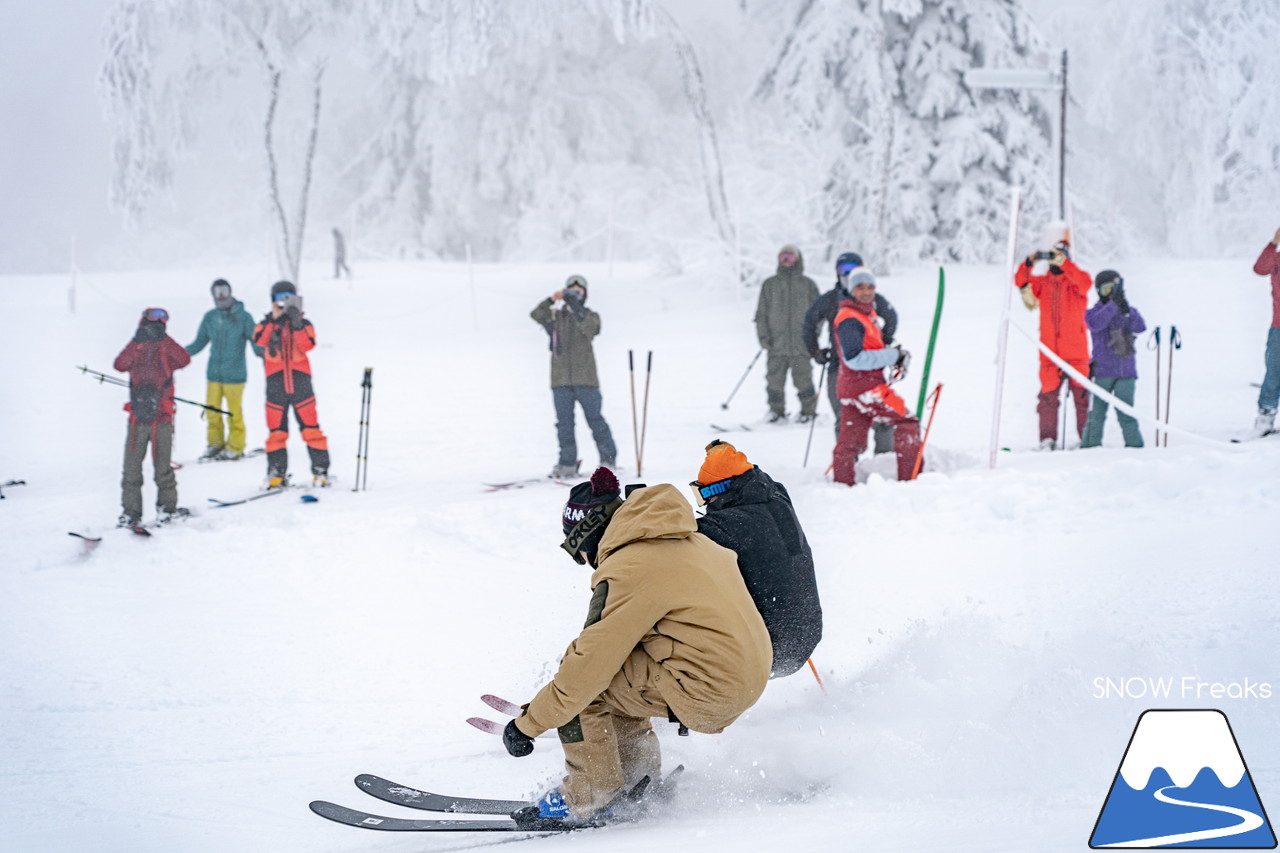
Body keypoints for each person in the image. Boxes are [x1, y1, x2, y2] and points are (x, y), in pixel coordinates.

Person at [501, 467, 772, 824]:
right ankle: (636, 777)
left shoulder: (630, 566)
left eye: (577, 552)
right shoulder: (687, 539)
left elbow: (584, 674)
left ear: (589, 537)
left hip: (708, 690)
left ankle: (590, 796)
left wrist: (526, 725)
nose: (583, 563)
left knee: (585, 689)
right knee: (621, 673)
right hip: (745, 677)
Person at [690, 440, 822, 677]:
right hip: (805, 637)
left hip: (769, 649)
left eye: (702, 495)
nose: (703, 504)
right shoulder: (778, 497)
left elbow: (679, 538)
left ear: (716, 492)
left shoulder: (726, 525)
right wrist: (725, 459)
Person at [831, 270, 921, 485]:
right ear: (851, 290)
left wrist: (891, 354)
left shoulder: (863, 314)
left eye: (870, 287)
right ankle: (911, 481)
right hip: (866, 388)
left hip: (851, 388)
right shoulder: (849, 319)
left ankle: (842, 484)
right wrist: (893, 355)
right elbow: (854, 359)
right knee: (907, 422)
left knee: (850, 442)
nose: (866, 292)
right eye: (860, 287)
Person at [802, 251, 899, 450]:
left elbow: (891, 317)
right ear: (837, 273)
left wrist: (884, 341)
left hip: (870, 372)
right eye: (843, 270)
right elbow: (808, 323)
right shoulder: (829, 299)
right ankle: (848, 468)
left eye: (854, 269)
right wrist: (815, 351)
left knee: (884, 419)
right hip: (838, 370)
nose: (849, 274)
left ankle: (884, 463)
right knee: (846, 421)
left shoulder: (873, 298)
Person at [530, 275, 617, 478]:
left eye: (579, 291)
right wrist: (552, 300)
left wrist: (577, 309)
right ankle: (567, 463)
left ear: (585, 294)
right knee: (564, 424)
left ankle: (608, 461)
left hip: (586, 379)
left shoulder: (589, 316)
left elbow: (592, 330)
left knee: (596, 420)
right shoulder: (556, 316)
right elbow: (536, 314)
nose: (574, 295)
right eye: (571, 291)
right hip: (560, 380)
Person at [1014, 223, 1092, 449]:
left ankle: (1086, 439)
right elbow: (1021, 282)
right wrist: (1029, 263)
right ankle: (1047, 440)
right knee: (1047, 400)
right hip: (1049, 353)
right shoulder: (1044, 284)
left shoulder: (1077, 282)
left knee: (1082, 399)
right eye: (1053, 258)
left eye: (1059, 257)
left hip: (1076, 353)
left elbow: (1086, 283)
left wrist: (1065, 264)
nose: (1055, 262)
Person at [113, 307, 192, 527]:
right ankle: (130, 514)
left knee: (163, 469)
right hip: (137, 418)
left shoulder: (165, 345)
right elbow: (119, 365)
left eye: (162, 320)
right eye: (153, 320)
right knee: (131, 470)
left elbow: (184, 359)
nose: (157, 324)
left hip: (162, 418)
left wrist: (164, 340)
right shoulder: (137, 346)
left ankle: (167, 510)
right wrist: (136, 341)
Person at [253, 281, 330, 487]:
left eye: (288, 297)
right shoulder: (265, 324)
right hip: (275, 386)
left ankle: (321, 471)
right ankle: (276, 474)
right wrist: (274, 321)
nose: (283, 302)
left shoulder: (305, 324)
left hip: (301, 384)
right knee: (276, 433)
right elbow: (259, 341)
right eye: (279, 298)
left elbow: (307, 345)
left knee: (311, 430)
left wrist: (295, 322)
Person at [185, 279, 262, 461]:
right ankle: (215, 444)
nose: (221, 295)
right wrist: (178, 355)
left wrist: (268, 355)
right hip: (213, 375)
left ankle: (235, 446)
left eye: (224, 290)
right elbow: (199, 342)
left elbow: (257, 342)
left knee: (234, 412)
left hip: (235, 375)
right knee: (212, 412)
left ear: (230, 291)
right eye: (217, 291)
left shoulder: (244, 316)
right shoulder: (210, 317)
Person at [1081, 271, 1147, 449]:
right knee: (1097, 414)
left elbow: (1140, 327)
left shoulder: (1126, 310)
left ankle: (1135, 448)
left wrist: (1126, 309)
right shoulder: (1093, 313)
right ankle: (1089, 448)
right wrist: (1112, 305)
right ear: (1098, 290)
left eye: (1114, 289)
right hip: (1103, 371)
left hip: (1126, 372)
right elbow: (1096, 324)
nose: (1110, 292)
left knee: (1126, 413)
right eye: (1106, 289)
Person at [755, 244, 819, 423]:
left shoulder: (807, 285)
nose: (785, 261)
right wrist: (763, 337)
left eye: (789, 257)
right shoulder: (770, 285)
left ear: (797, 259)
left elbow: (818, 315)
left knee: (803, 381)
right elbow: (761, 314)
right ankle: (776, 412)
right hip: (776, 345)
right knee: (774, 382)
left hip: (801, 347)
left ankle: (808, 412)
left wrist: (812, 336)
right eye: (782, 257)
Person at [1251, 228, 1280, 437]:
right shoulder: (1276, 259)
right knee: (1273, 372)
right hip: (1278, 327)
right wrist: (1272, 244)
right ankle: (1265, 417)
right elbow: (1259, 268)